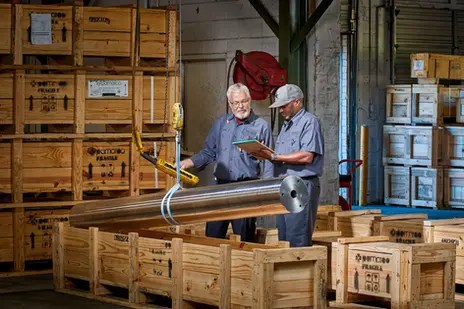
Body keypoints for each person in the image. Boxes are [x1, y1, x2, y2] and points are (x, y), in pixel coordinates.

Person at [179, 83, 274, 242]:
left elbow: (270, 161)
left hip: (246, 188)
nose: (240, 106)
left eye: (243, 101)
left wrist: (268, 192)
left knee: (244, 238)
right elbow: (208, 152)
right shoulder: (221, 123)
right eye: (236, 103)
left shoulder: (261, 126)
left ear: (250, 100)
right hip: (220, 186)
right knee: (213, 236)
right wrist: (188, 163)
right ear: (230, 104)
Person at [249, 84, 324, 247]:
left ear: (297, 102)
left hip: (301, 185)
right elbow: (281, 158)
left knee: (297, 238)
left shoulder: (310, 122)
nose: (281, 110)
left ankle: (300, 272)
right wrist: (262, 153)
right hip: (285, 185)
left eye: (283, 106)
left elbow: (307, 155)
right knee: (284, 239)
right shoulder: (287, 125)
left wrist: (275, 156)